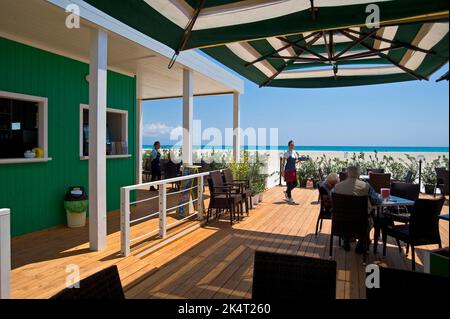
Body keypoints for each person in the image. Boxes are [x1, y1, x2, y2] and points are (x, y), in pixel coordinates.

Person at [333, 166, 382, 253]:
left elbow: (332, 198)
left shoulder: (337, 187)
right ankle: (361, 243)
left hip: (342, 221)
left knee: (346, 214)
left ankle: (346, 240)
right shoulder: (366, 186)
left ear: (347, 174)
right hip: (361, 222)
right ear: (358, 174)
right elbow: (376, 200)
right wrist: (381, 197)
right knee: (370, 216)